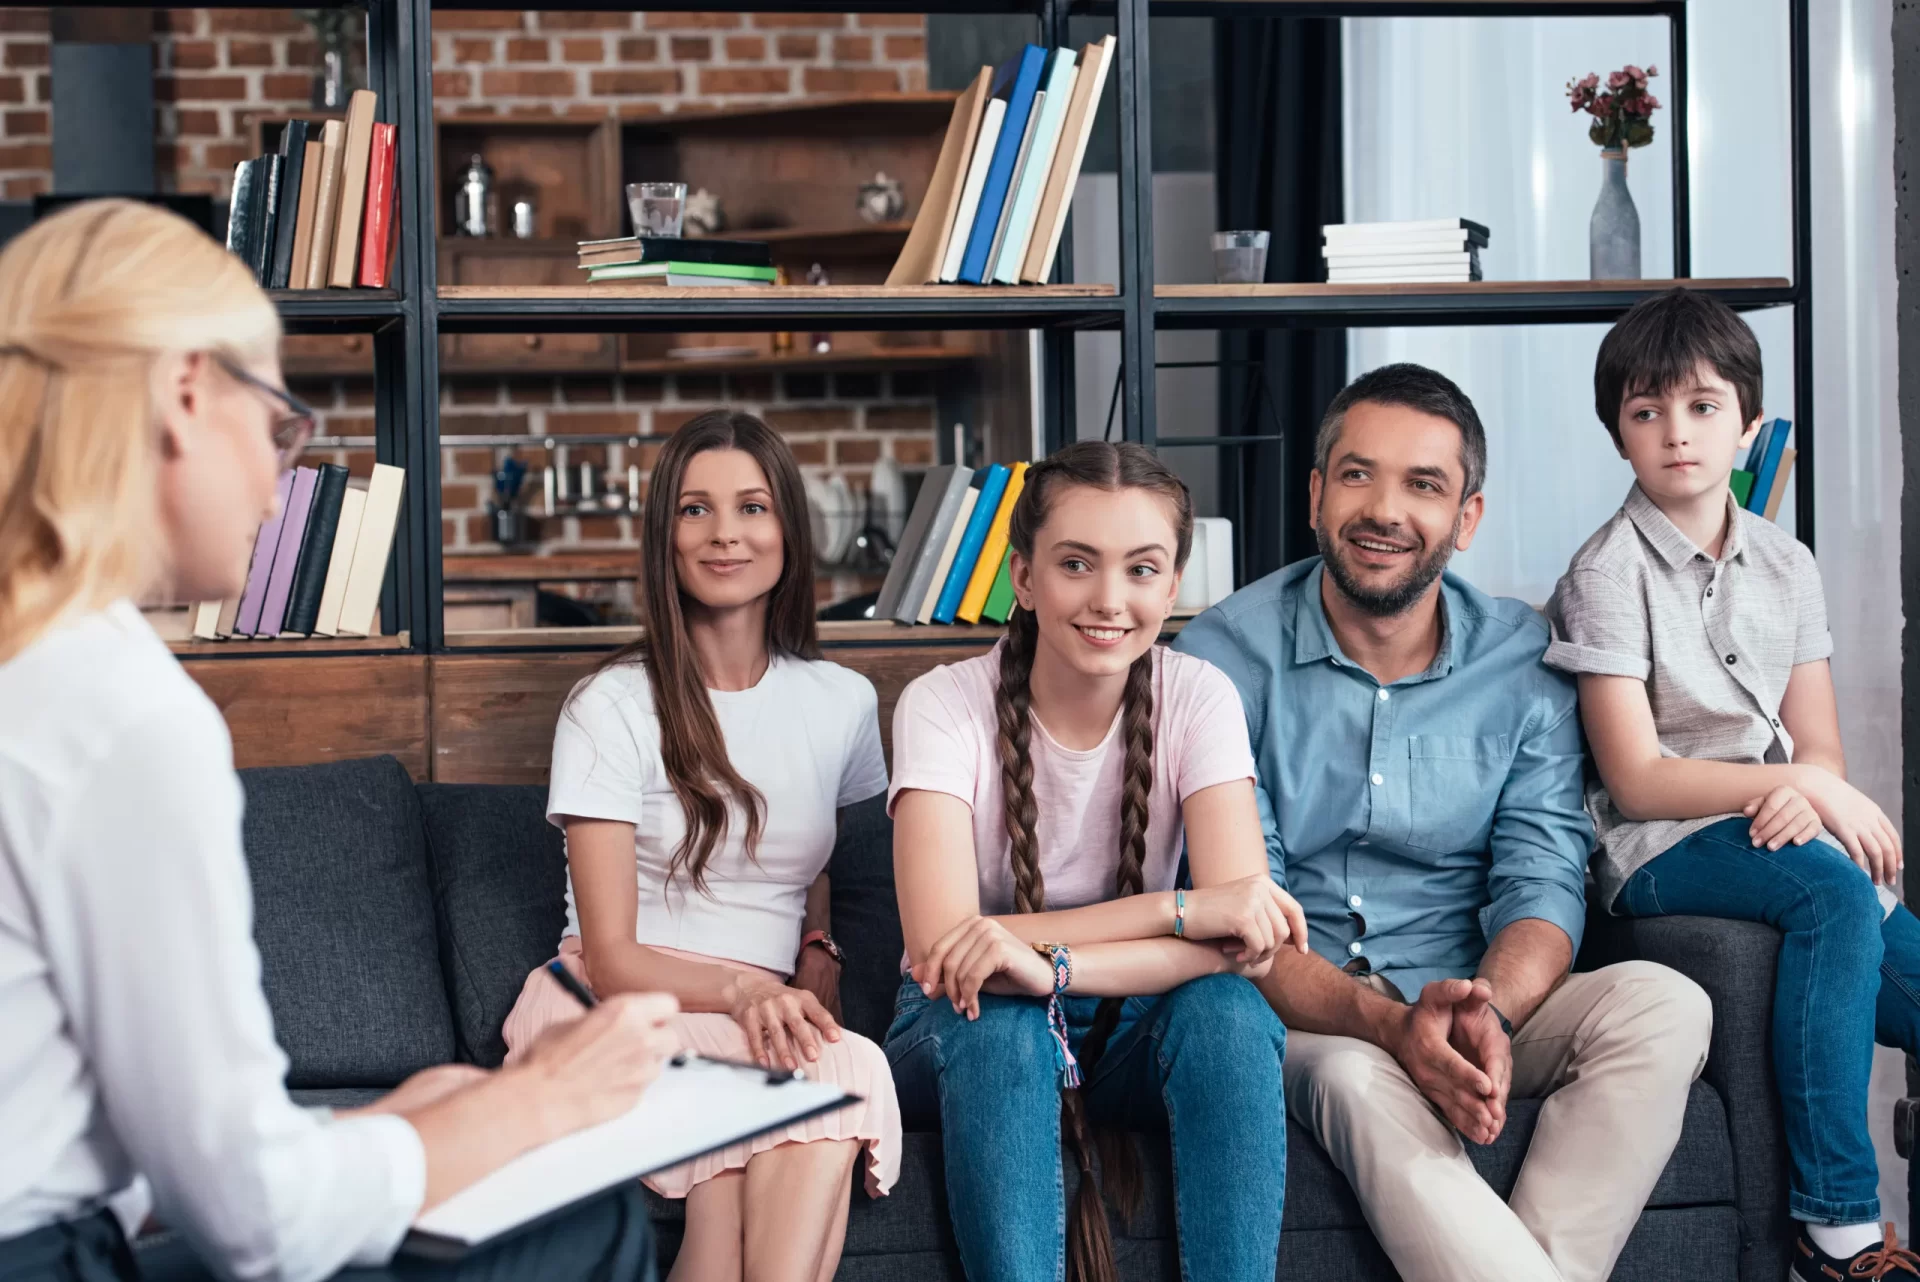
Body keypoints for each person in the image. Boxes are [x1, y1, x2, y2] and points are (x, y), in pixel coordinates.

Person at [0, 199, 679, 1282]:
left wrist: (387, 1129)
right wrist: (534, 1101)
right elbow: (259, 1224)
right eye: (275, 424)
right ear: (183, 393)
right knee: (579, 1221)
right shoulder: (120, 709)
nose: (281, 486)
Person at [1174, 362, 1713, 1282]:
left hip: (1470, 995)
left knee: (1666, 1004)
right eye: (1357, 474)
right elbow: (1243, 915)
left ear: (1466, 517)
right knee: (1352, 1075)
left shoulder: (1523, 658)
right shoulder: (1221, 657)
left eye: (1424, 485)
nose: (1384, 509)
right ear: (1314, 494)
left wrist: (1488, 1010)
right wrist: (1386, 1024)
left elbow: (1541, 877)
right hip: (1308, 1015)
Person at [1544, 288, 1919, 1279]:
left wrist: (1806, 786)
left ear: (1750, 421)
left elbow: (1821, 749)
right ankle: (1837, 1225)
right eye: (1647, 411)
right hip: (1657, 847)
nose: (1677, 433)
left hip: (1768, 828)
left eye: (1704, 407)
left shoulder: (1787, 565)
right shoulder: (1604, 571)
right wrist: (1788, 789)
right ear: (1618, 431)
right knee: (1837, 892)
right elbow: (1635, 775)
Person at [884, 441, 1299, 1282]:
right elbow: (944, 952)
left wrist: (1049, 964)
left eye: (1142, 570)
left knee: (1228, 1015)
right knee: (997, 1022)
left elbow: (1244, 945)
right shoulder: (942, 706)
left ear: (1172, 586)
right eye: (1077, 564)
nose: (1110, 600)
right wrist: (1176, 910)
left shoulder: (1199, 697)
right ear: (1025, 579)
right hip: (958, 1028)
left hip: (1131, 1025)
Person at [500, 411, 901, 1282]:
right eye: (695, 510)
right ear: (664, 536)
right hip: (613, 1014)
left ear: (789, 529)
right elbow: (609, 957)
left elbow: (815, 850)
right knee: (847, 1068)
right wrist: (747, 985)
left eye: (753, 507)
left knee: (725, 1233)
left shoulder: (841, 702)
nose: (726, 534)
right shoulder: (608, 705)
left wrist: (814, 943)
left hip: (757, 1025)